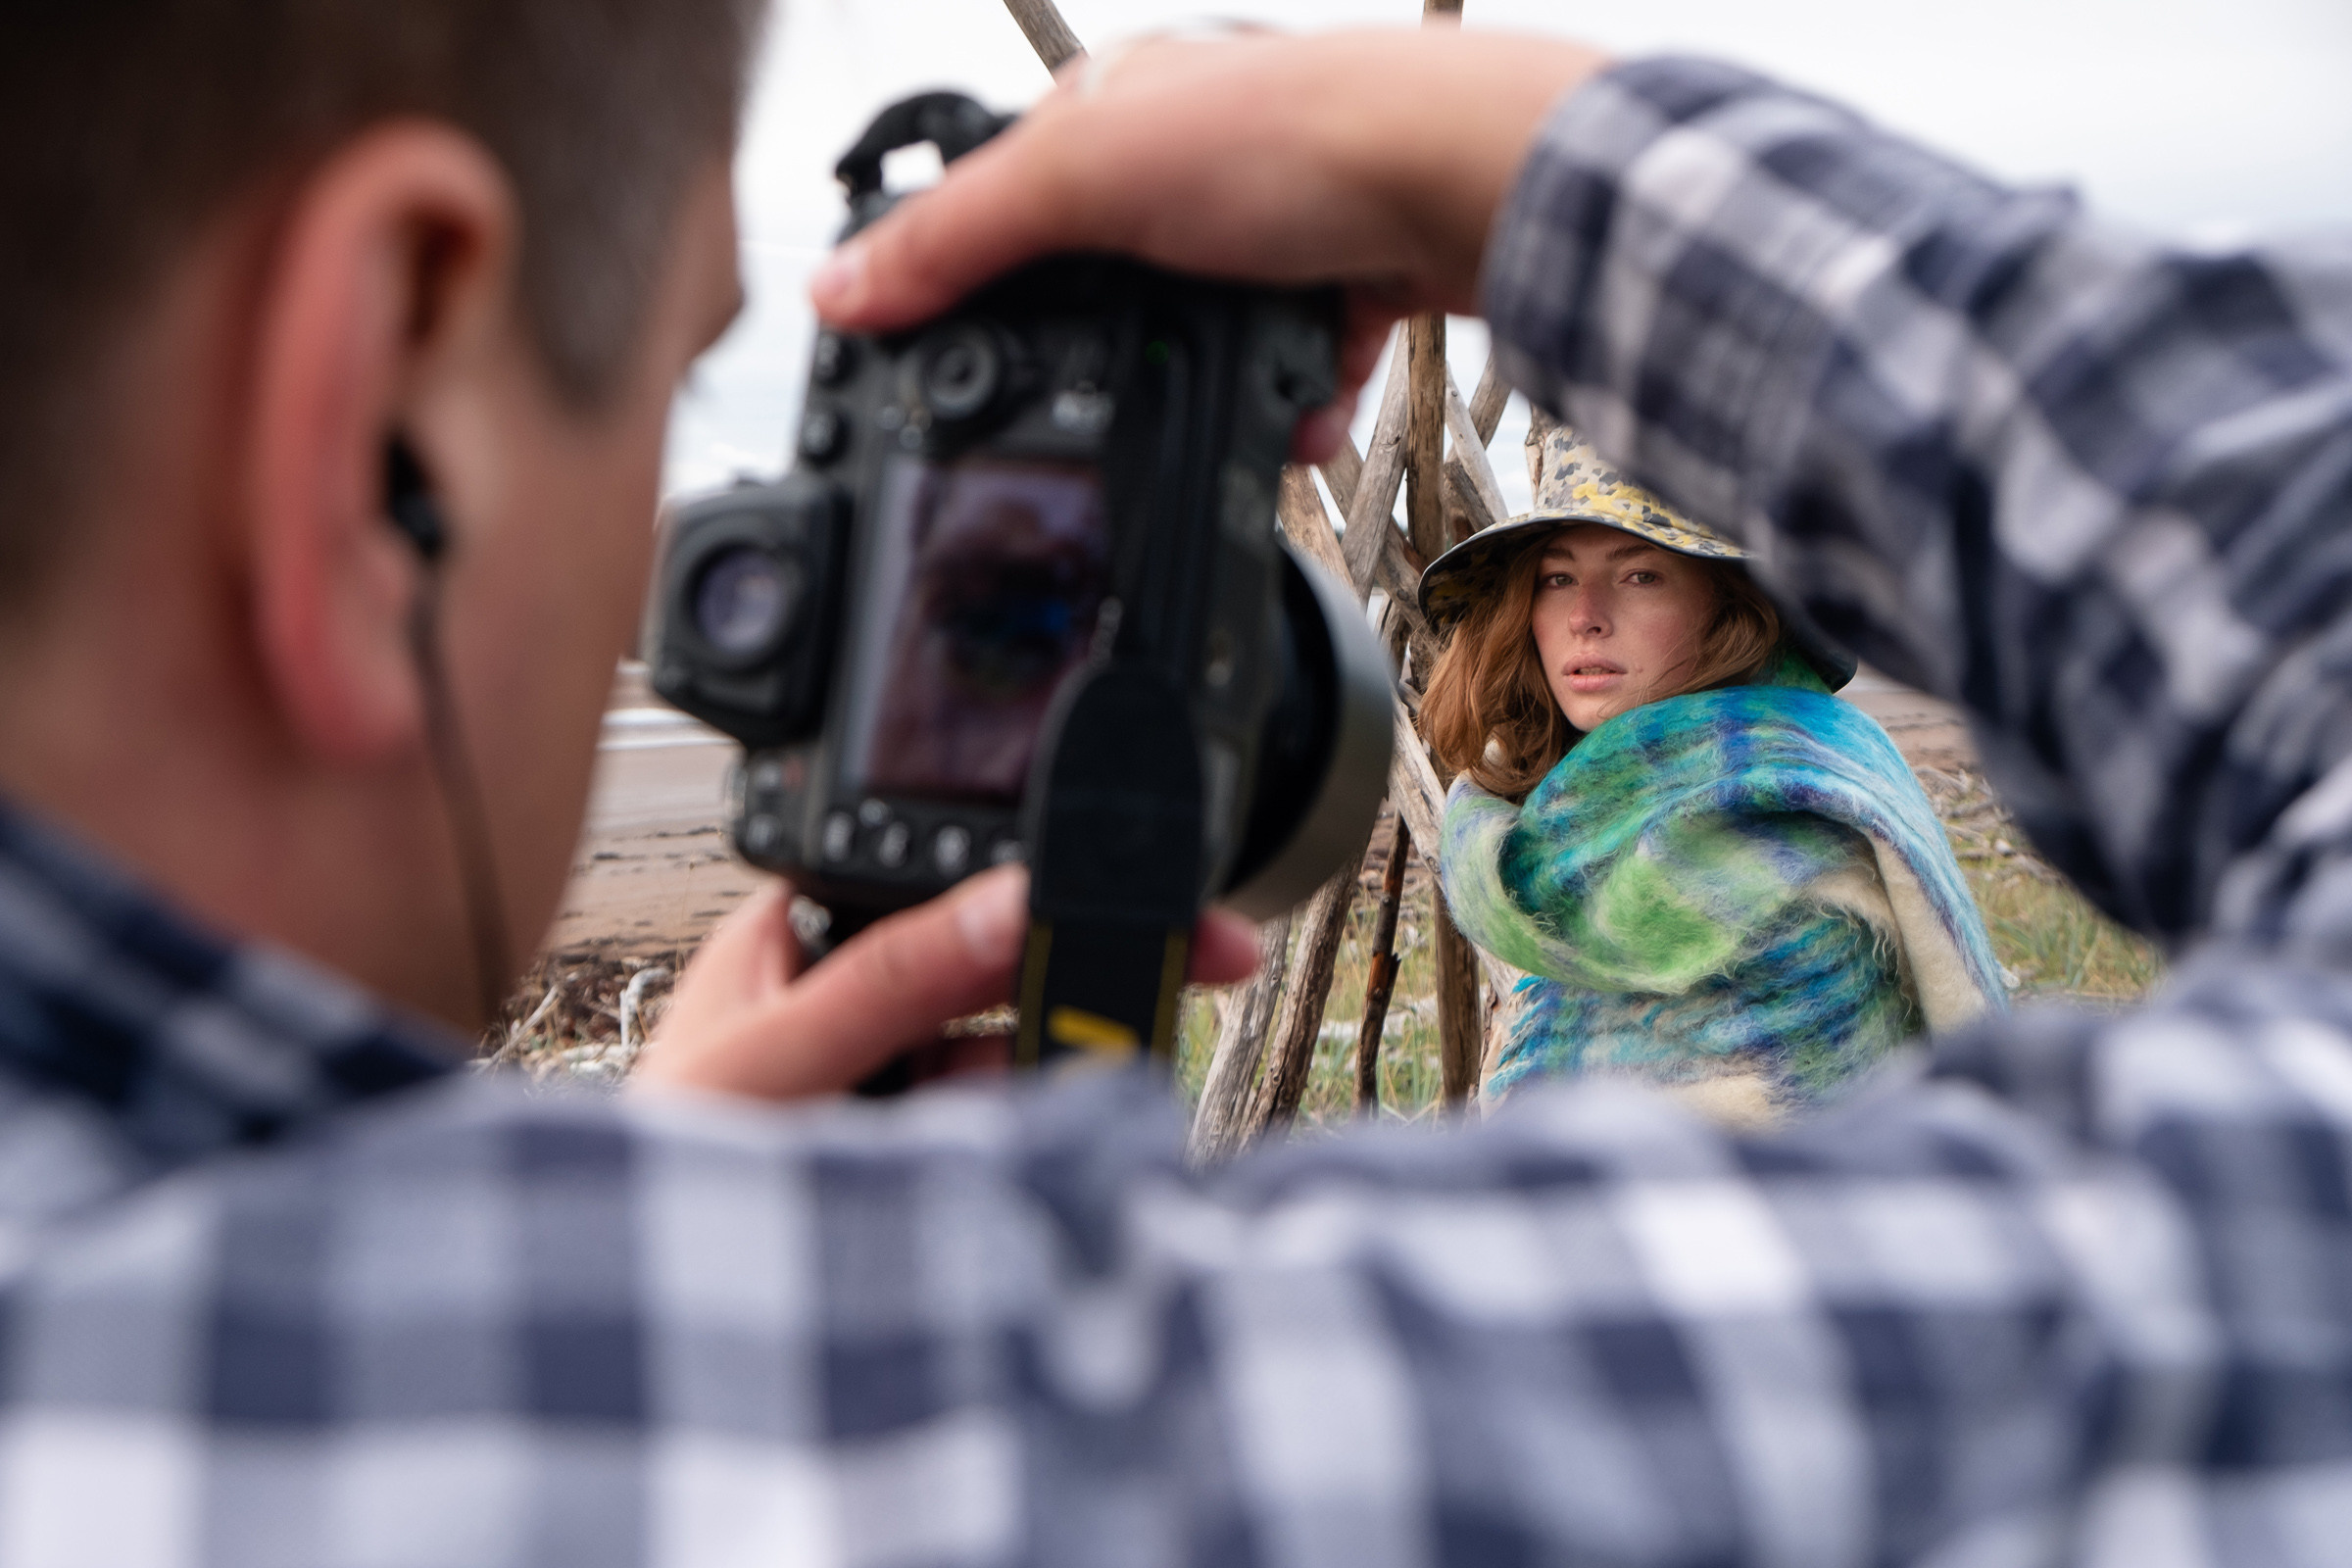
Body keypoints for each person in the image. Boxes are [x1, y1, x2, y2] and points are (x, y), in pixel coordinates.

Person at [5, 11, 2352, 1566]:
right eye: (677, 391)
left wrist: (625, 1243)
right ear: (380, 408)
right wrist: (1470, 154)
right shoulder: (987, 1438)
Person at [1415, 424, 2003, 1120]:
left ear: (1729, 606)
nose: (1585, 618)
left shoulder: (1801, 826)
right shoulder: (1539, 832)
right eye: (1557, 578)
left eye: (1640, 575)